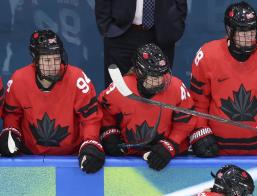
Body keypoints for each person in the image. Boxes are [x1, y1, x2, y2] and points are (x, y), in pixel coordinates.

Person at [188, 2, 257, 156]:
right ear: (230, 30)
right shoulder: (206, 56)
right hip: (218, 151)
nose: (249, 37)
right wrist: (200, 133)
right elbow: (198, 105)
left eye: (252, 31)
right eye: (243, 32)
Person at [0, 30, 104, 174]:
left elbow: (90, 118)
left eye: (56, 59)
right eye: (47, 60)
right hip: (30, 159)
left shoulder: (77, 79)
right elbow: (12, 114)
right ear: (35, 60)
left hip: (72, 159)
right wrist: (10, 132)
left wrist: (91, 143)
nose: (53, 66)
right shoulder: (19, 80)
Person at [98, 43, 196, 171]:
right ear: (139, 72)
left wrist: (171, 145)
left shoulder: (177, 87)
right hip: (129, 157)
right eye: (154, 76)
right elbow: (103, 113)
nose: (159, 80)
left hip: (167, 157)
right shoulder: (119, 88)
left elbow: (186, 122)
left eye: (161, 74)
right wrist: (109, 134)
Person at [95, 0, 188, 88]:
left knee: (158, 93)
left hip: (161, 33)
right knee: (118, 91)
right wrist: (107, 27)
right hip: (121, 35)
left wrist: (176, 23)